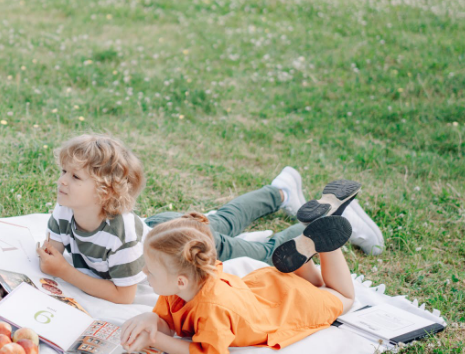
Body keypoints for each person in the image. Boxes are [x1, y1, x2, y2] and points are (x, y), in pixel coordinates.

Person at [120, 182, 359, 354]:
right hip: (270, 288)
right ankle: (306, 252)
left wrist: (155, 339)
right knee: (317, 286)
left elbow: (205, 352)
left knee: (344, 298)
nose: (143, 273)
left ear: (180, 281)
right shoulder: (182, 284)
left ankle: (328, 245)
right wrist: (151, 319)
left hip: (293, 307)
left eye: (150, 270)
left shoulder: (213, 309)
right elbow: (168, 323)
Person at [145, 167, 384, 259]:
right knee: (224, 220)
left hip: (174, 246)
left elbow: (123, 293)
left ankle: (336, 219)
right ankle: (280, 191)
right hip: (156, 224)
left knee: (267, 255)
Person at [36, 134, 149, 304]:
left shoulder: (122, 234)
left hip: (165, 252)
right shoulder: (65, 209)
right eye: (64, 171)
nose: (61, 180)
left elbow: (124, 296)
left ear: (106, 192)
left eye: (75, 177)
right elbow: (51, 256)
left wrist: (65, 271)